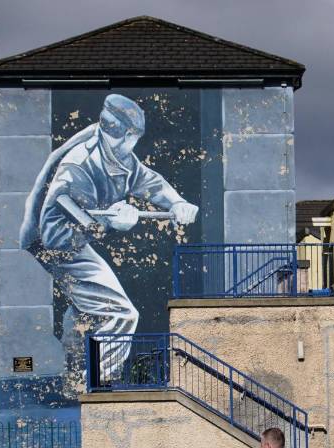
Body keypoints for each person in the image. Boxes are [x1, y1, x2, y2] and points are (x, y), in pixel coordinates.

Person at [20, 93, 199, 373]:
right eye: (109, 127)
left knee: (88, 309)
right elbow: (55, 235)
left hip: (64, 237)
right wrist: (108, 223)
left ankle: (76, 374)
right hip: (53, 240)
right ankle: (100, 382)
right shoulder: (79, 166)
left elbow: (148, 181)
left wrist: (177, 203)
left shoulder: (116, 154)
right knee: (121, 313)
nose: (111, 135)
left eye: (116, 130)